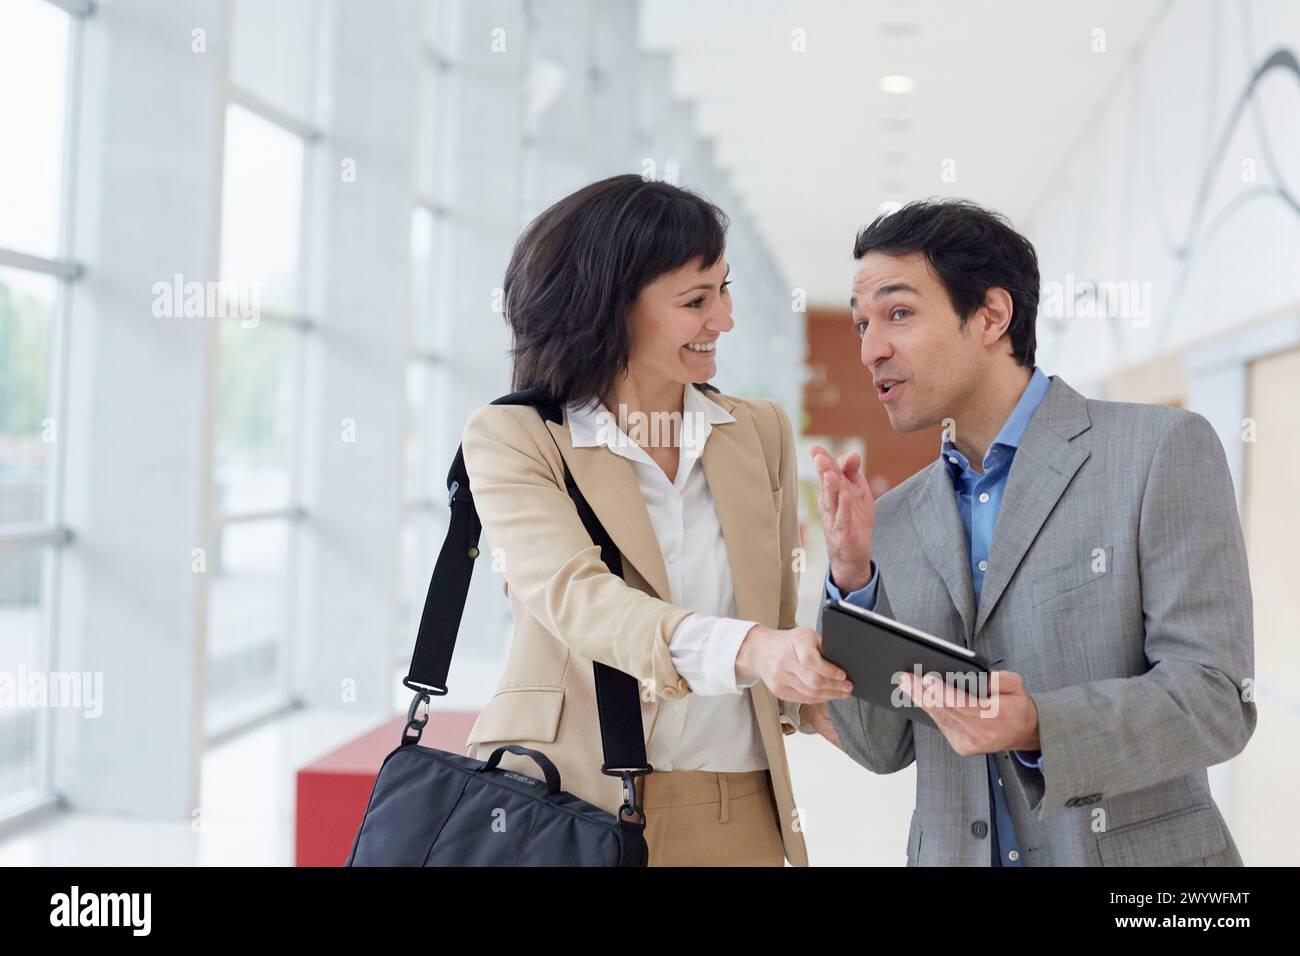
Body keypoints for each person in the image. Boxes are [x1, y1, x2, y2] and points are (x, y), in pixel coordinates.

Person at [808, 198, 1256, 866]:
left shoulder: (1158, 450)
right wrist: (850, 580)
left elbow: (1216, 698)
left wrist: (1041, 725)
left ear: (991, 316)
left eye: (899, 313)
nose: (872, 348)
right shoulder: (893, 519)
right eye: (862, 323)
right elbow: (880, 747)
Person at [460, 174, 849, 866]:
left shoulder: (756, 431)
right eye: (696, 299)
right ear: (607, 308)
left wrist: (812, 689)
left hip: (734, 809)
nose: (723, 319)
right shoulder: (518, 436)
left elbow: (776, 617)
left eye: (724, 290)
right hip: (561, 802)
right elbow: (581, 602)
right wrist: (752, 648)